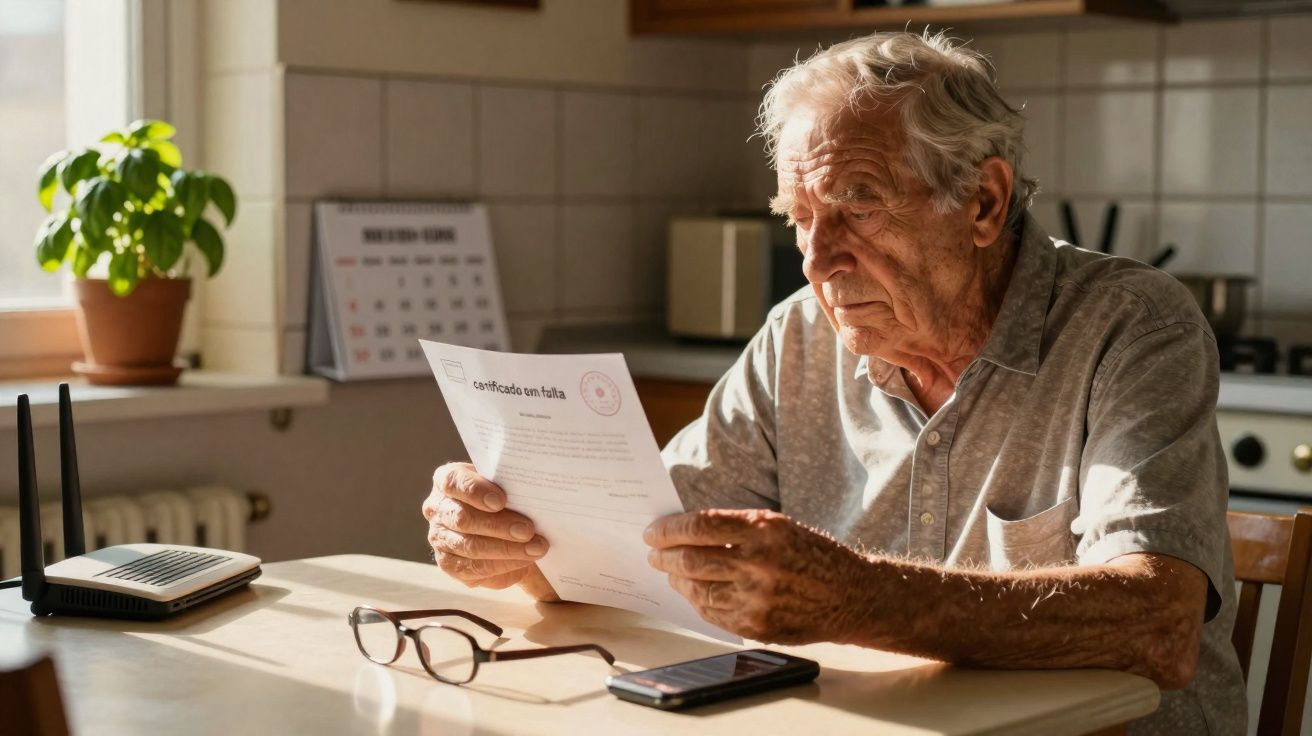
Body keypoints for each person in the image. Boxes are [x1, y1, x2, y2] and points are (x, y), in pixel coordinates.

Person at [422, 30, 1245, 734]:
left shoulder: (1131, 326)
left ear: (984, 203)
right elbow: (646, 551)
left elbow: (1157, 622)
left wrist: (856, 598)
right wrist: (516, 545)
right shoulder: (800, 337)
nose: (817, 260)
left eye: (859, 207)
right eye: (800, 217)